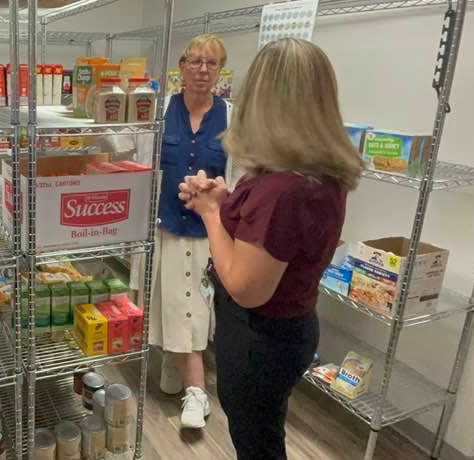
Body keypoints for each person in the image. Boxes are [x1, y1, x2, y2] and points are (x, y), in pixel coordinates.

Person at [178, 38, 363, 459]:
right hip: (289, 329)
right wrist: (228, 203)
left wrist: (209, 212)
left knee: (257, 442)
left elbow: (246, 286)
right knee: (262, 429)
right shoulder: (314, 171)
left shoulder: (284, 188)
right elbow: (274, 239)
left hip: (259, 338)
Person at [149, 34, 228, 429]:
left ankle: (195, 391)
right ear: (181, 65)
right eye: (195, 61)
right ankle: (171, 360)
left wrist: (216, 190)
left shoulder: (232, 115)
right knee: (167, 299)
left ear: (219, 70)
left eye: (211, 63)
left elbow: (240, 175)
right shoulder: (162, 108)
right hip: (163, 223)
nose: (202, 69)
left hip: (207, 230)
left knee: (194, 304)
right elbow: (137, 152)